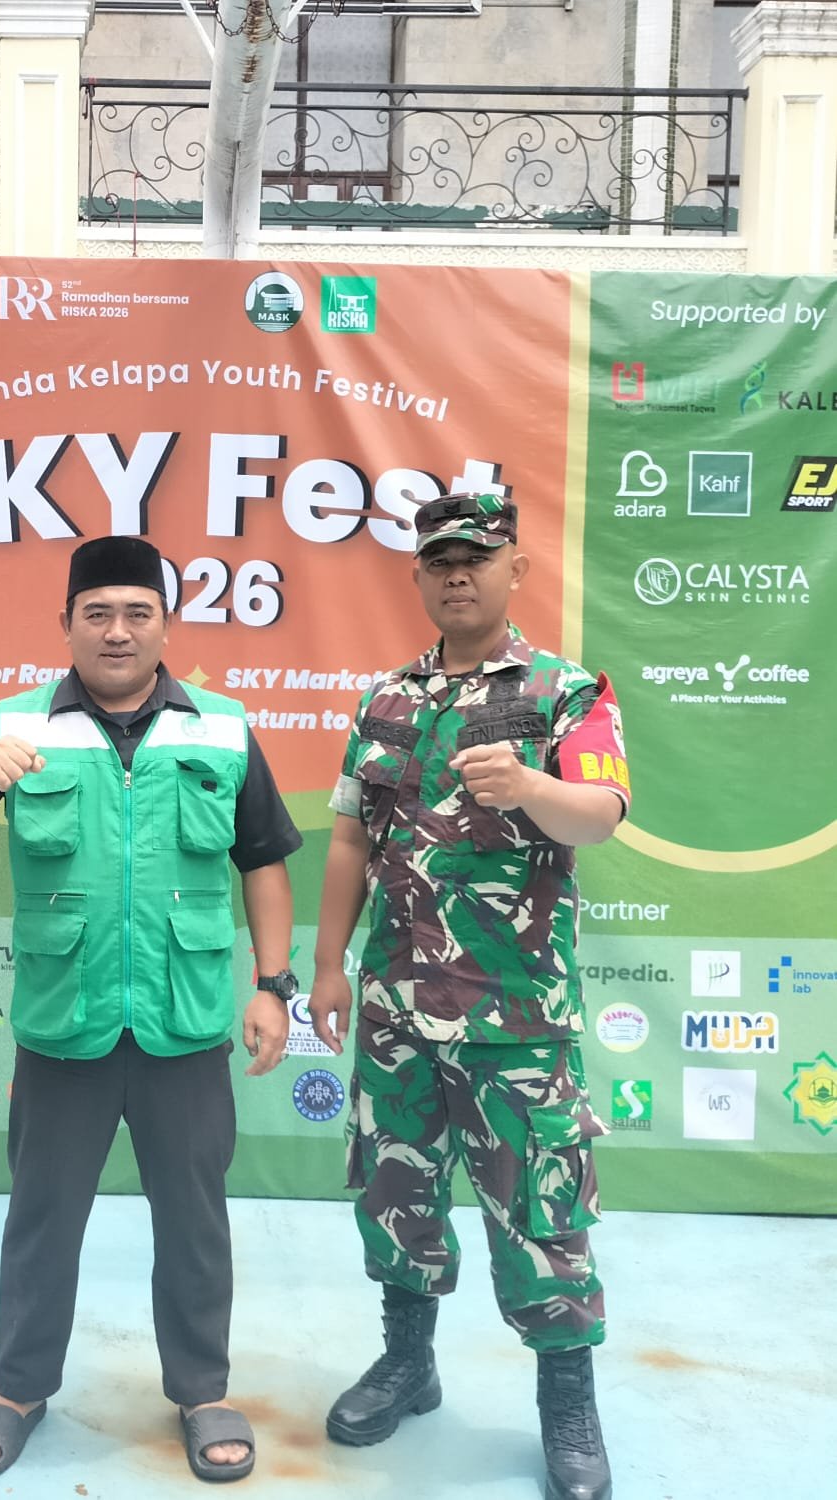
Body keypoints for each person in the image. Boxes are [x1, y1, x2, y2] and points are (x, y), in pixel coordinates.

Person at [0, 535, 301, 1484]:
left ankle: (202, 1391)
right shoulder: (16, 722)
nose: (117, 632)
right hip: (65, 1024)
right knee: (42, 1218)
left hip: (184, 1024)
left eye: (136, 613)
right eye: (98, 614)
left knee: (195, 1221)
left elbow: (263, 863)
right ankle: (18, 1390)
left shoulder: (221, 728)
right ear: (67, 625)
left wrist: (272, 984)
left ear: (165, 624)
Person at [307, 492, 628, 1500]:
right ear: (418, 576)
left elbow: (602, 812)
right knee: (395, 1191)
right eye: (440, 560)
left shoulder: (566, 691)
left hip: (514, 1016)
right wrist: (327, 964)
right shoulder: (385, 700)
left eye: (477, 559)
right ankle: (408, 1363)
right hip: (396, 1006)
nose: (458, 575)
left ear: (514, 571)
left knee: (540, 1211)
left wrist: (532, 788)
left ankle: (567, 1406)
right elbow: (351, 839)